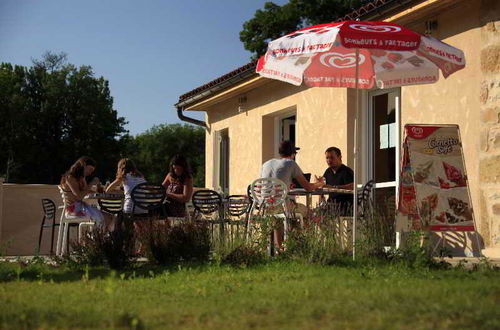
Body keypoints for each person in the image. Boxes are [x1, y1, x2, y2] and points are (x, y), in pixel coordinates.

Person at [260, 140, 324, 249]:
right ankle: (305, 246)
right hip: (284, 206)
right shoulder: (290, 163)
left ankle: (279, 248)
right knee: (309, 213)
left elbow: (267, 185)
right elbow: (308, 187)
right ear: (293, 154)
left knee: (279, 217)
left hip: (266, 206)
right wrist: (320, 183)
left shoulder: (266, 164)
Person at [60, 156, 112, 229]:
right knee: (105, 218)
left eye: (92, 171)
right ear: (84, 165)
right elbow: (79, 196)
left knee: (109, 217)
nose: (90, 173)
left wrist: (98, 191)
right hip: (74, 210)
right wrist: (91, 184)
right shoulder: (70, 178)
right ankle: (95, 238)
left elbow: (85, 191)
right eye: (90, 169)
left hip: (80, 207)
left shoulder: (81, 178)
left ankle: (98, 238)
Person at [320, 147, 354, 215]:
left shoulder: (346, 171)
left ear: (339, 157)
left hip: (344, 206)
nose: (329, 160)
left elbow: (352, 186)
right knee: (314, 213)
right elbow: (323, 185)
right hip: (331, 205)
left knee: (320, 214)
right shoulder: (328, 171)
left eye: (332, 157)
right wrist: (319, 185)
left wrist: (335, 187)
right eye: (327, 158)